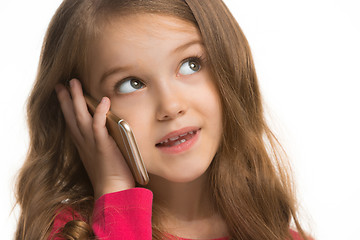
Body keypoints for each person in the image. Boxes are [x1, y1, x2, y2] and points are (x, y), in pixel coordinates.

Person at [14, 0, 311, 239]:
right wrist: (117, 198)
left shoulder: (276, 234)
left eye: (190, 64)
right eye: (131, 83)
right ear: (85, 109)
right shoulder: (69, 231)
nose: (170, 106)